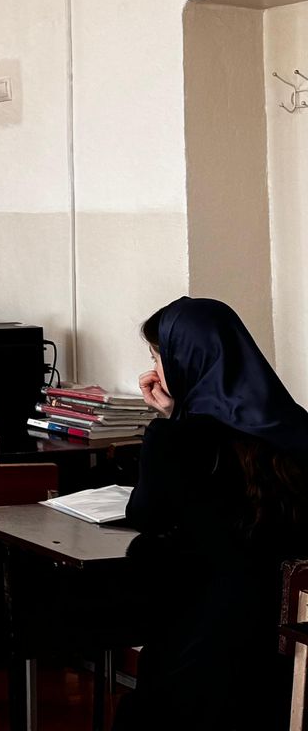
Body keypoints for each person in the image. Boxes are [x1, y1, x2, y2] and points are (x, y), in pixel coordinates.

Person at [114, 297, 308, 731]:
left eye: (157, 357)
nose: (154, 370)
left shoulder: (175, 440)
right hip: (285, 639)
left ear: (185, 360)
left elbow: (146, 514)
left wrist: (169, 423)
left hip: (204, 638)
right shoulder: (295, 425)